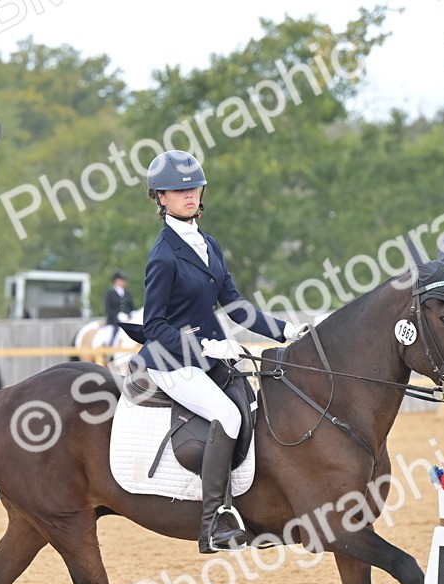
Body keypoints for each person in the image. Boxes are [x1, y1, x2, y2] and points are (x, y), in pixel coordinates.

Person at [135, 149, 309, 554]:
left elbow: (235, 306)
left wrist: (286, 331)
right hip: (171, 360)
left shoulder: (208, 244)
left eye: (193, 187)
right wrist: (200, 343)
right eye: (177, 191)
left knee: (254, 407)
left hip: (210, 356)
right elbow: (154, 326)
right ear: (160, 198)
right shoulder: (162, 256)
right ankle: (214, 521)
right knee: (227, 415)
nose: (188, 195)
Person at [95, 271, 136, 348]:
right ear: (116, 281)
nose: (123, 282)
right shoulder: (110, 293)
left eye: (124, 280)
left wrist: (133, 313)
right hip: (113, 321)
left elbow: (132, 306)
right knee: (112, 333)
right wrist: (117, 315)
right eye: (121, 280)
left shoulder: (127, 293)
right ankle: (110, 349)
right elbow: (108, 308)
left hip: (127, 320)